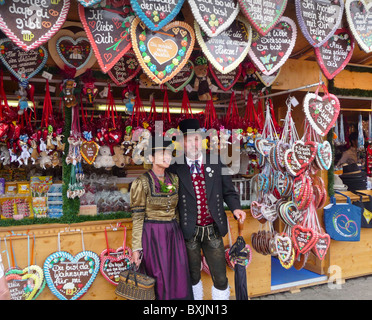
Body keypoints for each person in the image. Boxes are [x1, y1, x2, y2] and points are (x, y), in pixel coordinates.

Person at [169, 118, 246, 300]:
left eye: (196, 139)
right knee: (192, 276)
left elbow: (229, 191)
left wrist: (236, 208)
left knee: (220, 277)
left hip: (213, 229)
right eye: (188, 139)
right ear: (182, 142)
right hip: (189, 231)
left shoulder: (215, 161)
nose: (193, 143)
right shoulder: (174, 166)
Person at [130, 137, 192, 300]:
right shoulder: (141, 182)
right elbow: (137, 217)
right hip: (153, 236)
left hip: (173, 234)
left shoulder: (175, 179)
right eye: (161, 153)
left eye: (169, 153)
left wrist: (181, 234)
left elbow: (177, 211)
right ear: (151, 158)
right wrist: (136, 248)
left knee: (178, 276)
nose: (167, 157)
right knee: (159, 277)